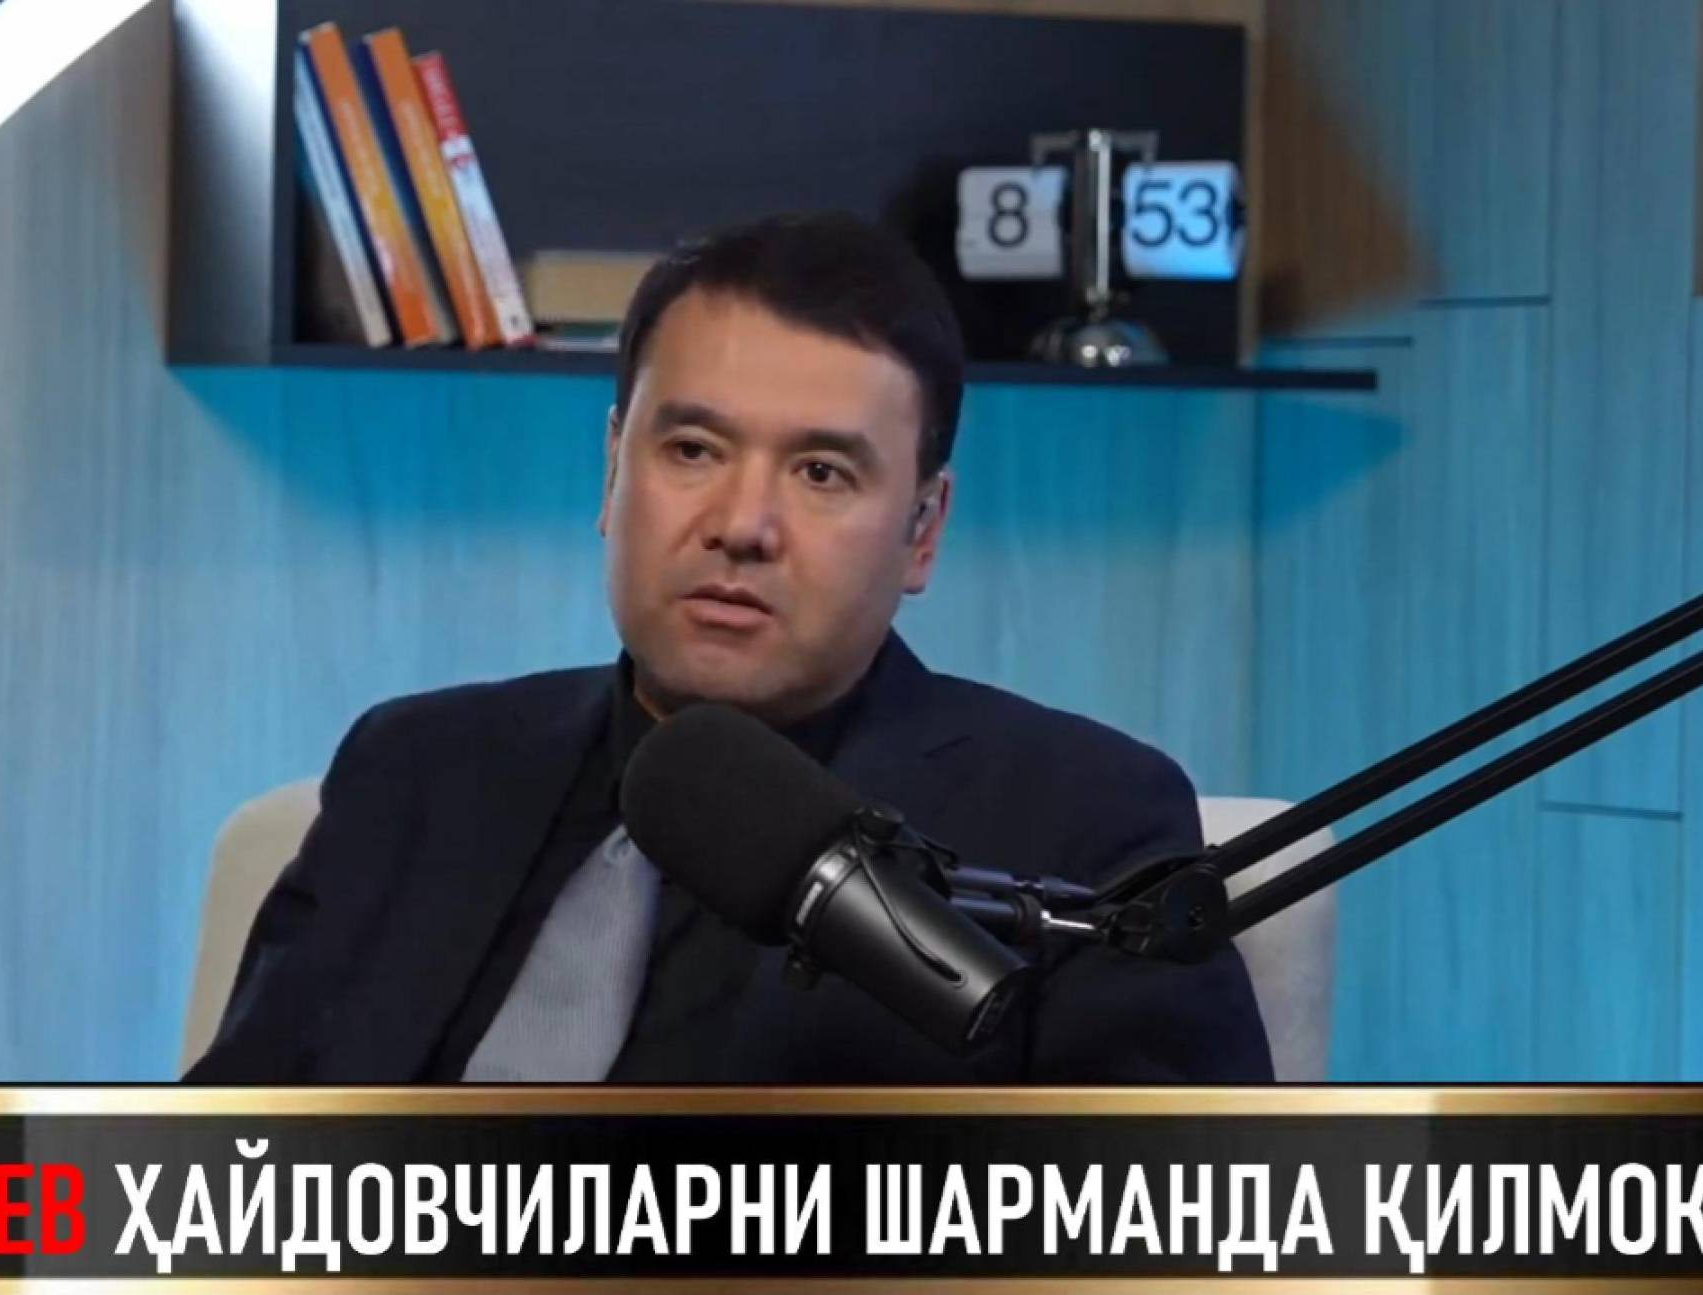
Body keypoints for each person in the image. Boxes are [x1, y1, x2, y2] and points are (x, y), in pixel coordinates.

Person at [187, 212, 1272, 1083]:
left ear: (922, 530)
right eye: (694, 449)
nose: (743, 524)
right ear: (614, 469)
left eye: (821, 473)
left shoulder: (1078, 825)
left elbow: (1189, 1226)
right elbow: (213, 1194)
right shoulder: (417, 769)